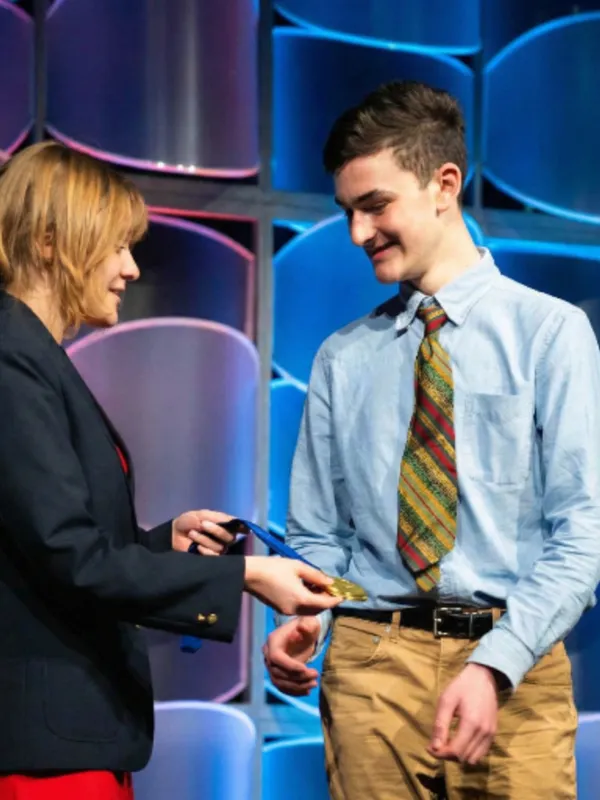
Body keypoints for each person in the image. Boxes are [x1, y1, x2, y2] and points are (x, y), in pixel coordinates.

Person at [263, 79, 600, 799]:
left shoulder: (550, 333)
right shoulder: (342, 357)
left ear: (444, 184)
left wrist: (496, 662)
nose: (357, 234)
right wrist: (308, 616)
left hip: (516, 666)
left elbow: (583, 533)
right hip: (371, 664)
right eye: (348, 212)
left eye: (375, 205)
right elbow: (318, 533)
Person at [0, 141, 341, 800]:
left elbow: (52, 547)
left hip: (75, 736)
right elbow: (70, 559)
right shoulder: (13, 360)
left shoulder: (35, 358)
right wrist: (246, 576)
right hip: (46, 754)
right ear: (48, 242)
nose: (131, 268)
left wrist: (164, 543)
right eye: (117, 247)